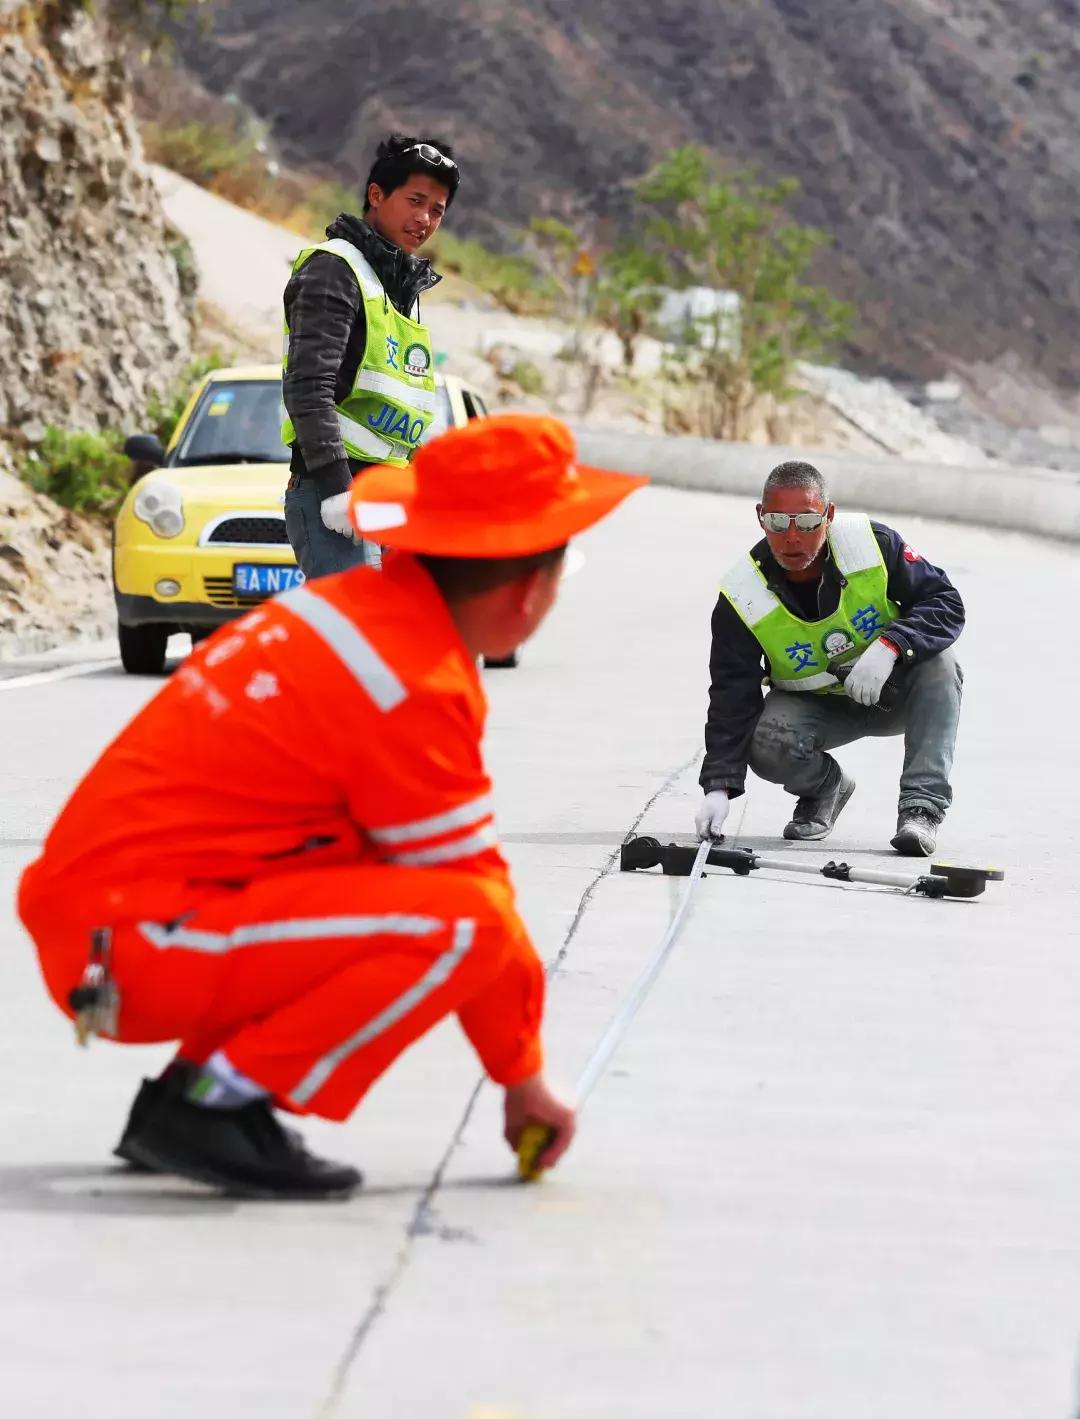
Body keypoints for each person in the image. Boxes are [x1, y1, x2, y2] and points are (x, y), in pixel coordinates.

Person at [18, 416, 646, 1199]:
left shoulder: (346, 609)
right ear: (529, 595)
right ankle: (210, 1105)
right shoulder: (408, 680)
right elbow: (479, 902)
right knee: (463, 923)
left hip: (108, 927)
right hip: (136, 944)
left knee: (371, 865)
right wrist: (522, 1075)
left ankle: (197, 1084)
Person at [695, 460, 964, 857]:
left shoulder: (872, 545)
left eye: (806, 522)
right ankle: (826, 789)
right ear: (760, 518)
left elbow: (945, 601)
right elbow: (731, 694)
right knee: (762, 741)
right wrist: (718, 787)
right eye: (777, 521)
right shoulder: (743, 595)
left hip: (892, 694)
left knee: (941, 664)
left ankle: (920, 810)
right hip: (817, 709)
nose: (791, 538)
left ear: (828, 515)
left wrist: (892, 646)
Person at [281, 133, 459, 578]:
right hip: (337, 495)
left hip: (390, 498)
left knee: (396, 640)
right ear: (376, 195)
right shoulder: (334, 270)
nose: (424, 219)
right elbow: (308, 388)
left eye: (437, 210)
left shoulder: (403, 290)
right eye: (415, 200)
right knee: (349, 640)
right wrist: (338, 490)